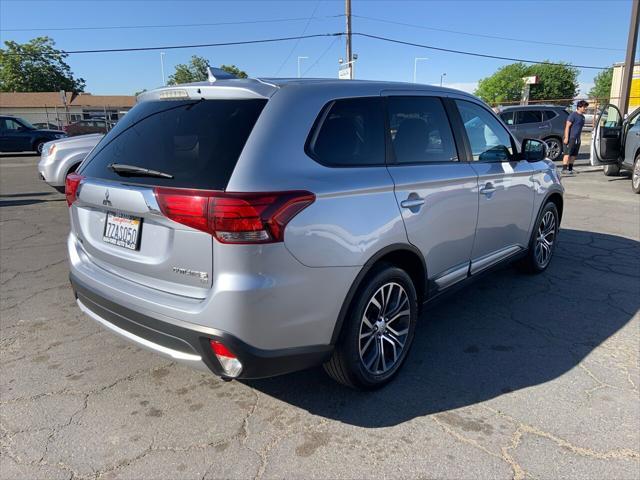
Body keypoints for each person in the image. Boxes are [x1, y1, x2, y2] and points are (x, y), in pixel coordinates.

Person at [562, 100, 589, 175]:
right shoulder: (573, 115)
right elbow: (567, 126)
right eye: (584, 107)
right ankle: (564, 169)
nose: (585, 108)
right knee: (567, 153)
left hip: (577, 138)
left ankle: (570, 168)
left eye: (586, 107)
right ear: (579, 107)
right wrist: (566, 138)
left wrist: (579, 139)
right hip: (571, 138)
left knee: (574, 154)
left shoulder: (582, 117)